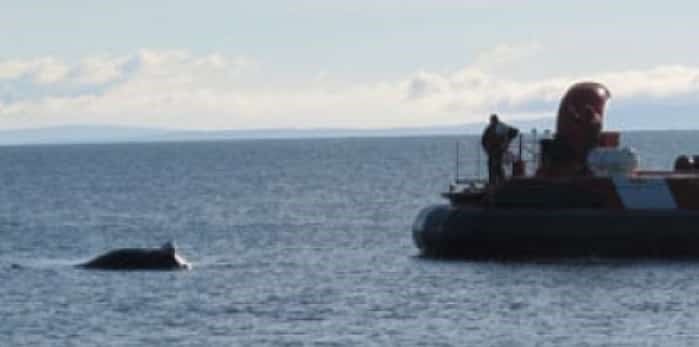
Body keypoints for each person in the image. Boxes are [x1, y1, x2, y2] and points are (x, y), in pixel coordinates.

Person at [481, 114, 519, 185]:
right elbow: (483, 141)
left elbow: (515, 131)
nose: (492, 122)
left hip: (497, 150)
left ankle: (498, 182)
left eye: (493, 120)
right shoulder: (490, 129)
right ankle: (495, 182)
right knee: (493, 166)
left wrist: (506, 141)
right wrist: (488, 150)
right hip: (492, 151)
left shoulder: (501, 127)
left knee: (496, 165)